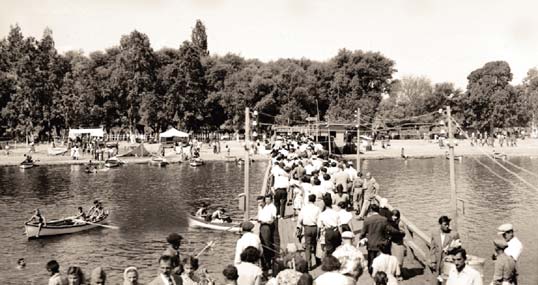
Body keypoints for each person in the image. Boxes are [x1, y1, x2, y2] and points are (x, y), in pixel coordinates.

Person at [358, 203, 393, 275]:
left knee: (371, 260)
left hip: (371, 243)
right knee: (381, 260)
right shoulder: (384, 219)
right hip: (381, 243)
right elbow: (387, 231)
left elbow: (363, 232)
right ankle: (380, 275)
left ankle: (372, 274)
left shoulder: (367, 220)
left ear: (371, 210)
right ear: (378, 210)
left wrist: (361, 238)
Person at [428, 216, 460, 283]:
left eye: (448, 224)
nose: (447, 226)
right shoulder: (434, 233)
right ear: (440, 224)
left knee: (446, 281)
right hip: (437, 262)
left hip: (448, 263)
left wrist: (450, 249)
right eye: (445, 224)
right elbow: (432, 249)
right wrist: (433, 261)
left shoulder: (454, 234)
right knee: (436, 281)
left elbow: (459, 249)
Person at [296, 194, 321, 269]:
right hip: (315, 227)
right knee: (316, 245)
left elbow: (300, 219)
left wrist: (299, 227)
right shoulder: (317, 209)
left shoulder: (304, 208)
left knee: (308, 247)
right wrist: (318, 232)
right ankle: (318, 261)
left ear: (308, 200)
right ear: (314, 200)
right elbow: (319, 222)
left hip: (306, 227)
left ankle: (309, 265)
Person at [257, 194, 277, 271]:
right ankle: (265, 263)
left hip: (266, 226)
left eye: (261, 202)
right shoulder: (260, 207)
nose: (260, 204)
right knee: (262, 244)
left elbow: (272, 219)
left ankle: (267, 263)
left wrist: (267, 221)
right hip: (261, 226)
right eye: (258, 202)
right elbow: (260, 216)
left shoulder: (270, 208)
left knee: (266, 245)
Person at [388, 209, 406, 280]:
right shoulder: (391, 222)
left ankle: (398, 274)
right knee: (393, 259)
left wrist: (396, 233)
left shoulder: (400, 223)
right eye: (393, 216)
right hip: (393, 243)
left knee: (399, 259)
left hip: (398, 243)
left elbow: (403, 233)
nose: (394, 217)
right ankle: (395, 273)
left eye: (395, 216)